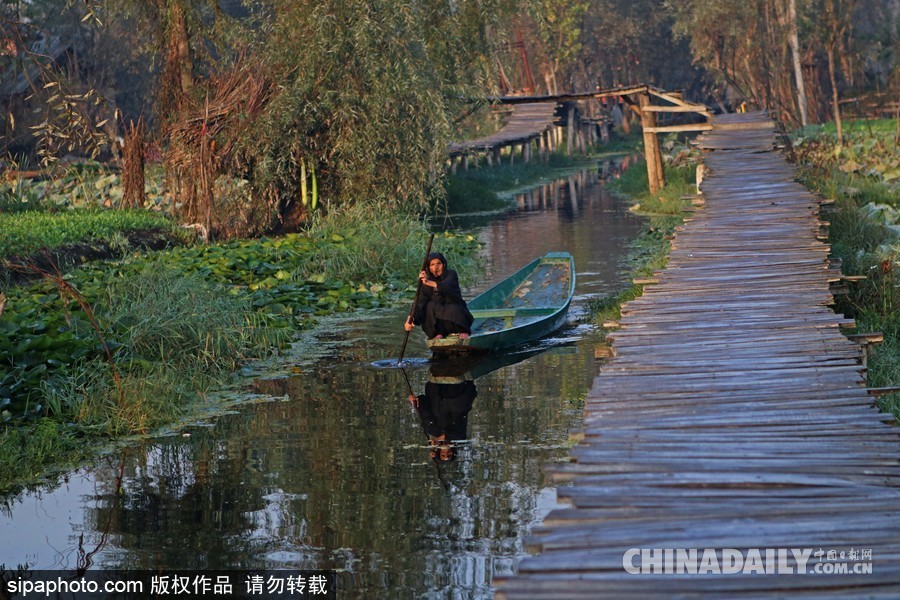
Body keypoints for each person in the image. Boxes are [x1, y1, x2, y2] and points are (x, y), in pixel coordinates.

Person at [404, 252, 473, 340]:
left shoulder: (451, 274)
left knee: (452, 307)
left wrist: (428, 283)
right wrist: (411, 318)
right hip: (440, 323)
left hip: (457, 319)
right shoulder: (425, 283)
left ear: (443, 264)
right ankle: (438, 332)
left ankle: (463, 331)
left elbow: (447, 286)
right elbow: (420, 303)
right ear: (429, 268)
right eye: (432, 265)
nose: (436, 267)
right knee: (430, 306)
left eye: (438, 263)